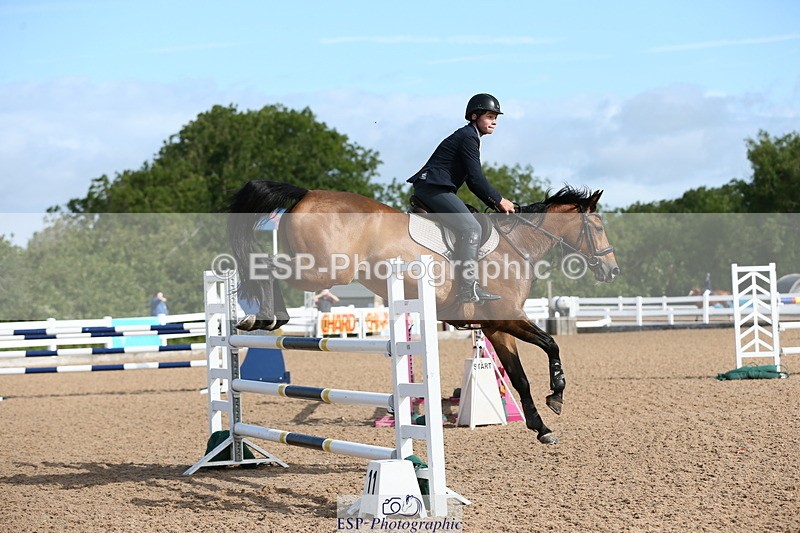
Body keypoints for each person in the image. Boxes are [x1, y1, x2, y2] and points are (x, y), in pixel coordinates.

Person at [407, 93, 516, 303]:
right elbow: (476, 179)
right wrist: (499, 200)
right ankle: (467, 288)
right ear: (474, 116)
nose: (494, 121)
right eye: (489, 116)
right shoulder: (468, 137)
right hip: (433, 189)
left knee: (470, 220)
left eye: (496, 117)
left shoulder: (470, 136)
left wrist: (493, 201)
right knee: (471, 228)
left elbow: (473, 182)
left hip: (435, 187)